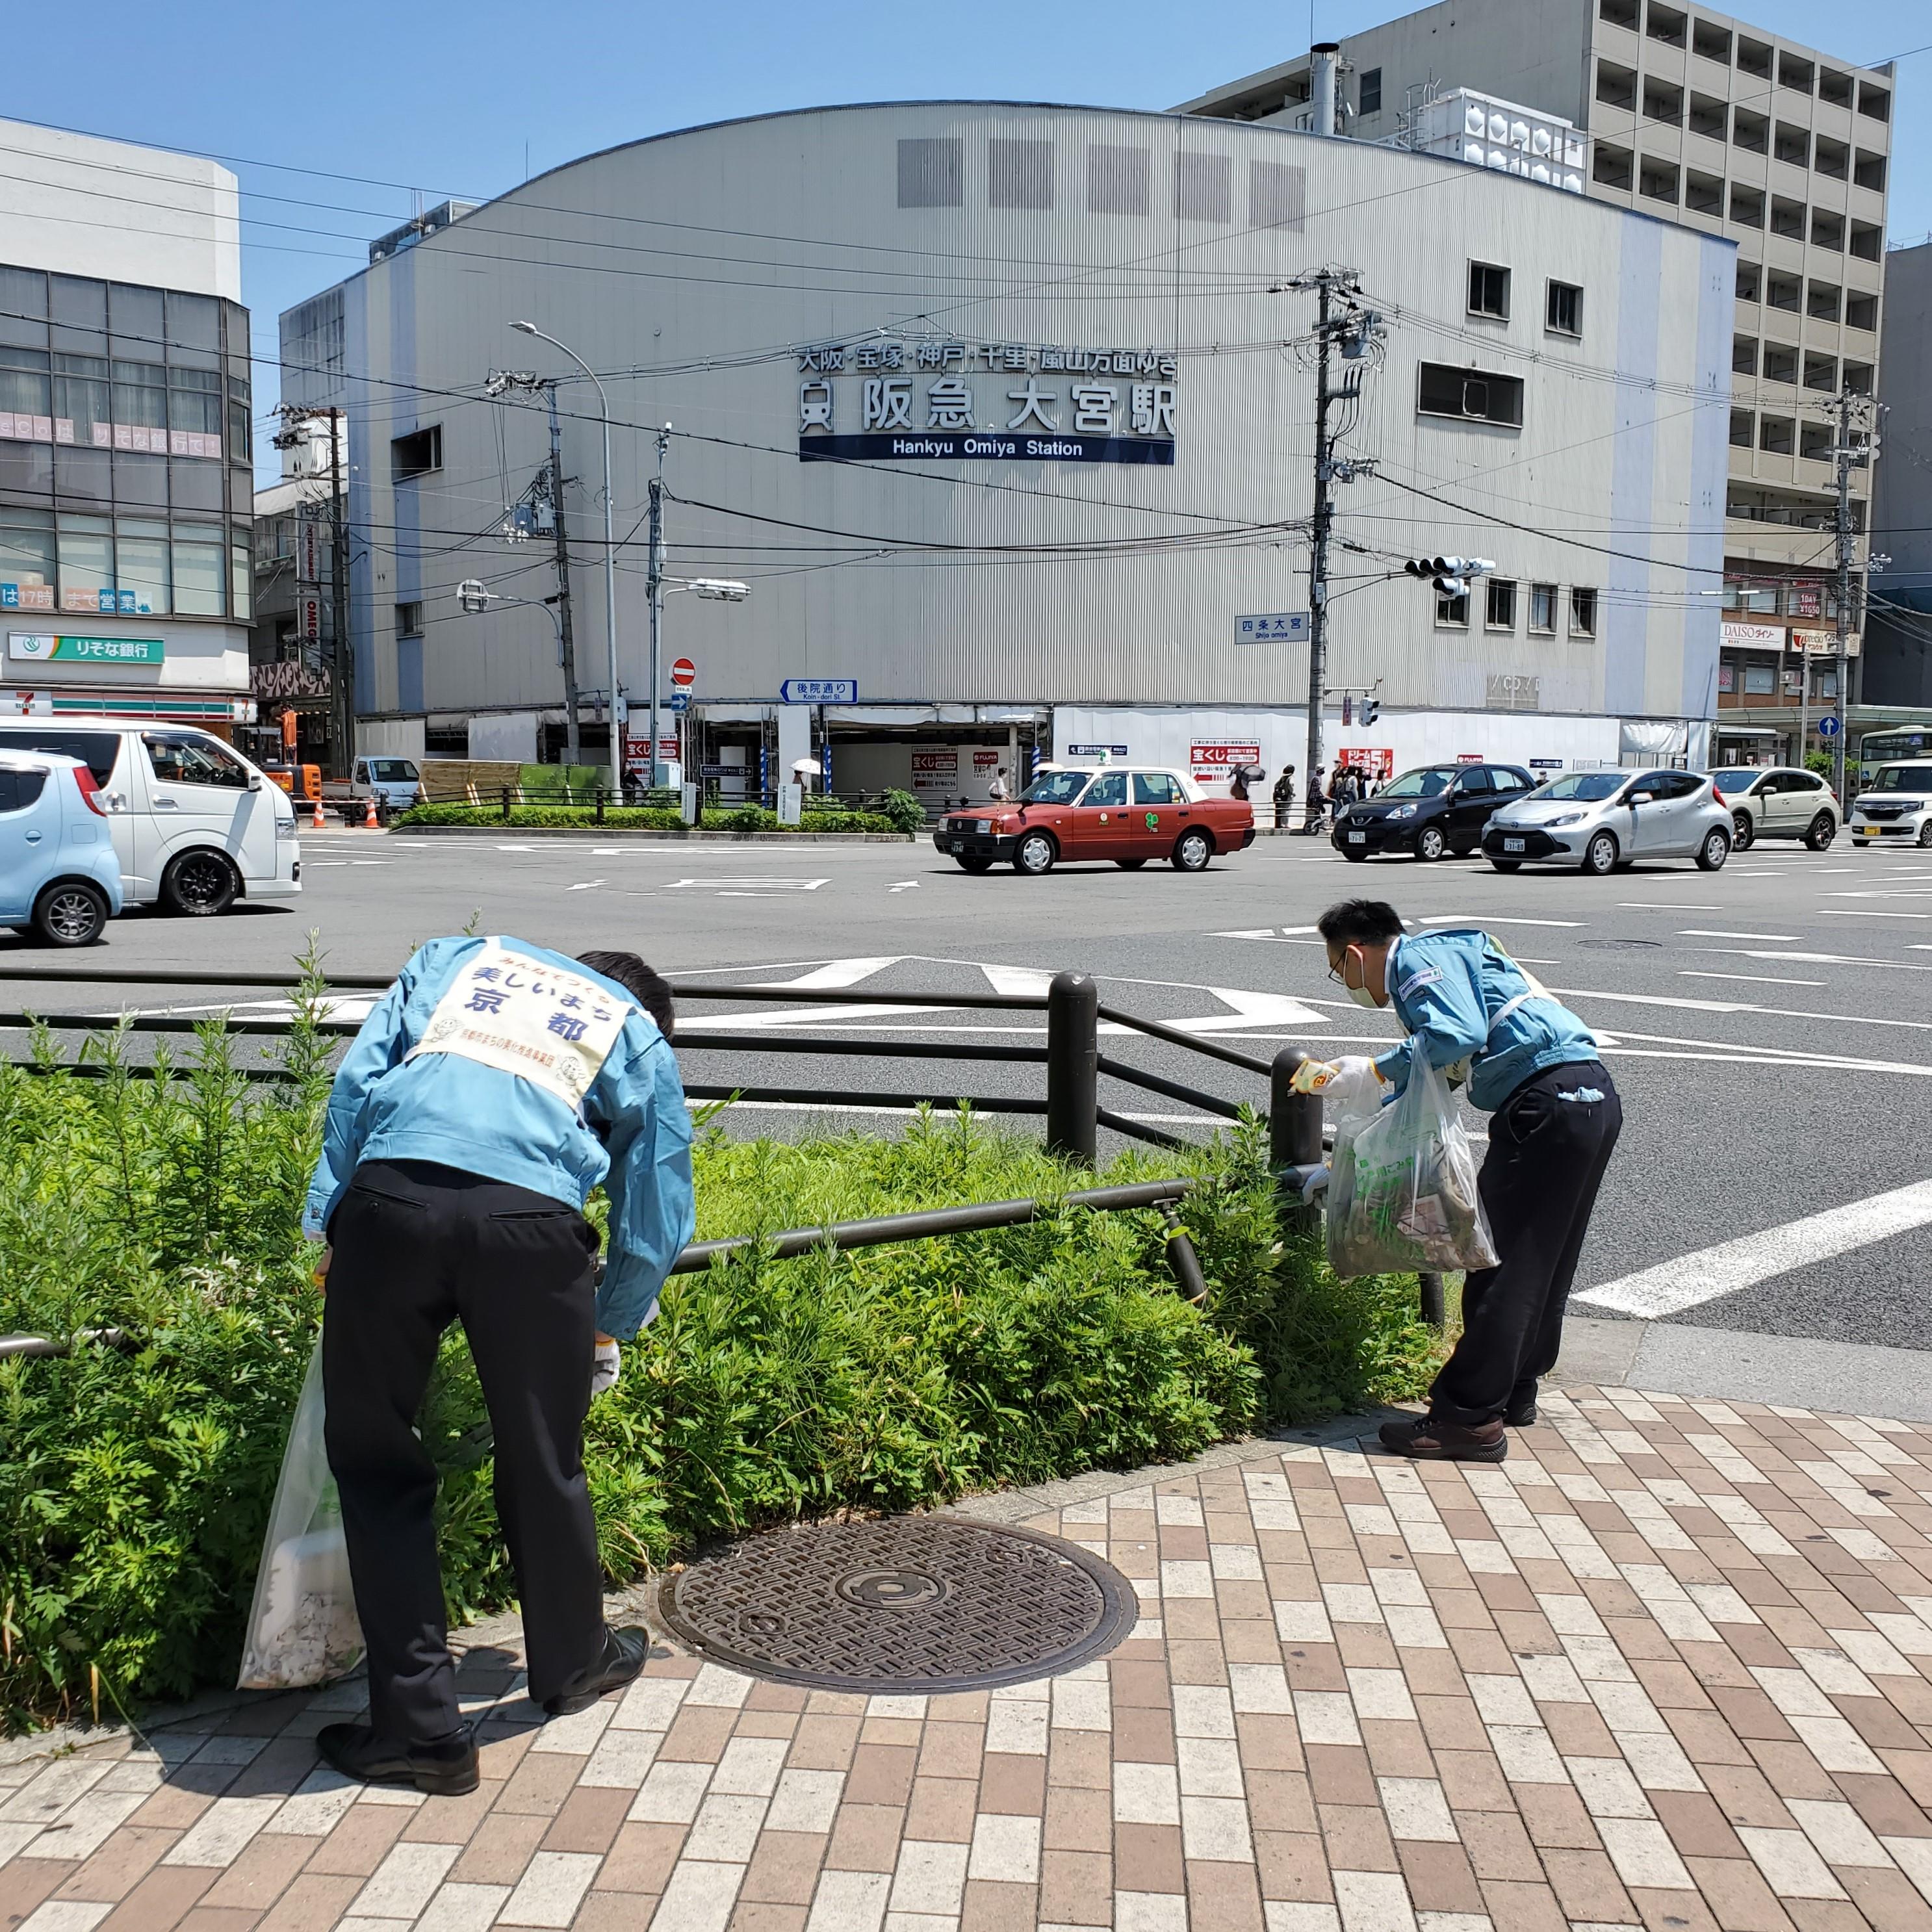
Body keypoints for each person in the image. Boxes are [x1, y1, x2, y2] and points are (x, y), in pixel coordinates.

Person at [303, 938, 695, 1794]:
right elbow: (656, 1203)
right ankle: (572, 1667)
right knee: (545, 1458)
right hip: (533, 1230)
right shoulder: (634, 1031)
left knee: (375, 1460)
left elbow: (358, 1085)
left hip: (391, 1203)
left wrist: (327, 1225)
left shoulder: (460, 960)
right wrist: (609, 1321)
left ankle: (419, 1733)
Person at [1294, 899, 1621, 1462]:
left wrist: (1371, 1069)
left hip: (1543, 1102)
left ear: (1353, 953)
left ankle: (1467, 1417)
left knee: (1498, 1264)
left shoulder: (1418, 960)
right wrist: (1351, 1153)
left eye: (1336, 968)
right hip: (1589, 1096)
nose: (1343, 981)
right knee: (1543, 1259)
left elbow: (1455, 1034)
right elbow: (1433, 1078)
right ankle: (1514, 1389)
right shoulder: (1455, 954)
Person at [1303, 766, 1328, 834]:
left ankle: (1321, 824)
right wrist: (1323, 797)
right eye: (1322, 769)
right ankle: (1320, 823)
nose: (1323, 771)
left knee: (1319, 812)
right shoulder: (1317, 778)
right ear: (1319, 770)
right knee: (1330, 805)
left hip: (1316, 798)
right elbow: (1317, 790)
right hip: (1316, 799)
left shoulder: (1318, 778)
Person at [1271, 765, 1296, 830]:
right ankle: (1285, 824)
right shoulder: (1291, 777)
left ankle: (1281, 823)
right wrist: (1292, 792)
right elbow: (1291, 784)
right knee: (1287, 810)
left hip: (1282, 796)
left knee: (1282, 810)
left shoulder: (1283, 778)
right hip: (1288, 796)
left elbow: (1276, 785)